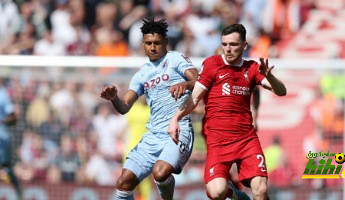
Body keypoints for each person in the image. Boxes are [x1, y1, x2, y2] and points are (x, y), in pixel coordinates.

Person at [168, 24, 287, 200]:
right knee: (217, 192)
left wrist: (269, 76)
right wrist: (175, 118)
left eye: (233, 44)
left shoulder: (252, 68)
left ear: (244, 46)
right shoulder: (211, 64)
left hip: (246, 139)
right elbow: (194, 98)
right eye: (224, 44)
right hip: (218, 140)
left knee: (261, 190)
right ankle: (234, 194)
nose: (228, 49)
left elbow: (281, 91)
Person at [100, 17, 198, 200]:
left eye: (157, 43)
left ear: (165, 42)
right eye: (148, 43)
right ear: (143, 44)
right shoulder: (142, 74)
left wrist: (185, 84)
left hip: (178, 130)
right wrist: (114, 99)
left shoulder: (175, 59)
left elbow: (200, 82)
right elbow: (124, 107)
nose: (152, 47)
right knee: (123, 183)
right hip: (152, 135)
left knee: (160, 173)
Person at [0, 80, 22, 200]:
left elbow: (13, 117)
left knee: (6, 169)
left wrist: (2, 121)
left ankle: (19, 193)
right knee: (6, 169)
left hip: (2, 140)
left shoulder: (2, 95)